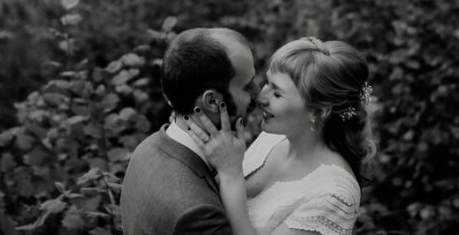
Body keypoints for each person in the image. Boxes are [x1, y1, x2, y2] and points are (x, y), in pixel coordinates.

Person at [185, 37, 376, 235]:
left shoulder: (334, 194)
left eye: (277, 94)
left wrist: (230, 174)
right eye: (268, 83)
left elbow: (230, 181)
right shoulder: (274, 138)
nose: (260, 97)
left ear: (318, 112)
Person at [120, 27, 260, 235]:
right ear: (212, 101)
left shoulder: (146, 149)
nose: (259, 92)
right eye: (247, 87)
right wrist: (231, 175)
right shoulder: (197, 214)